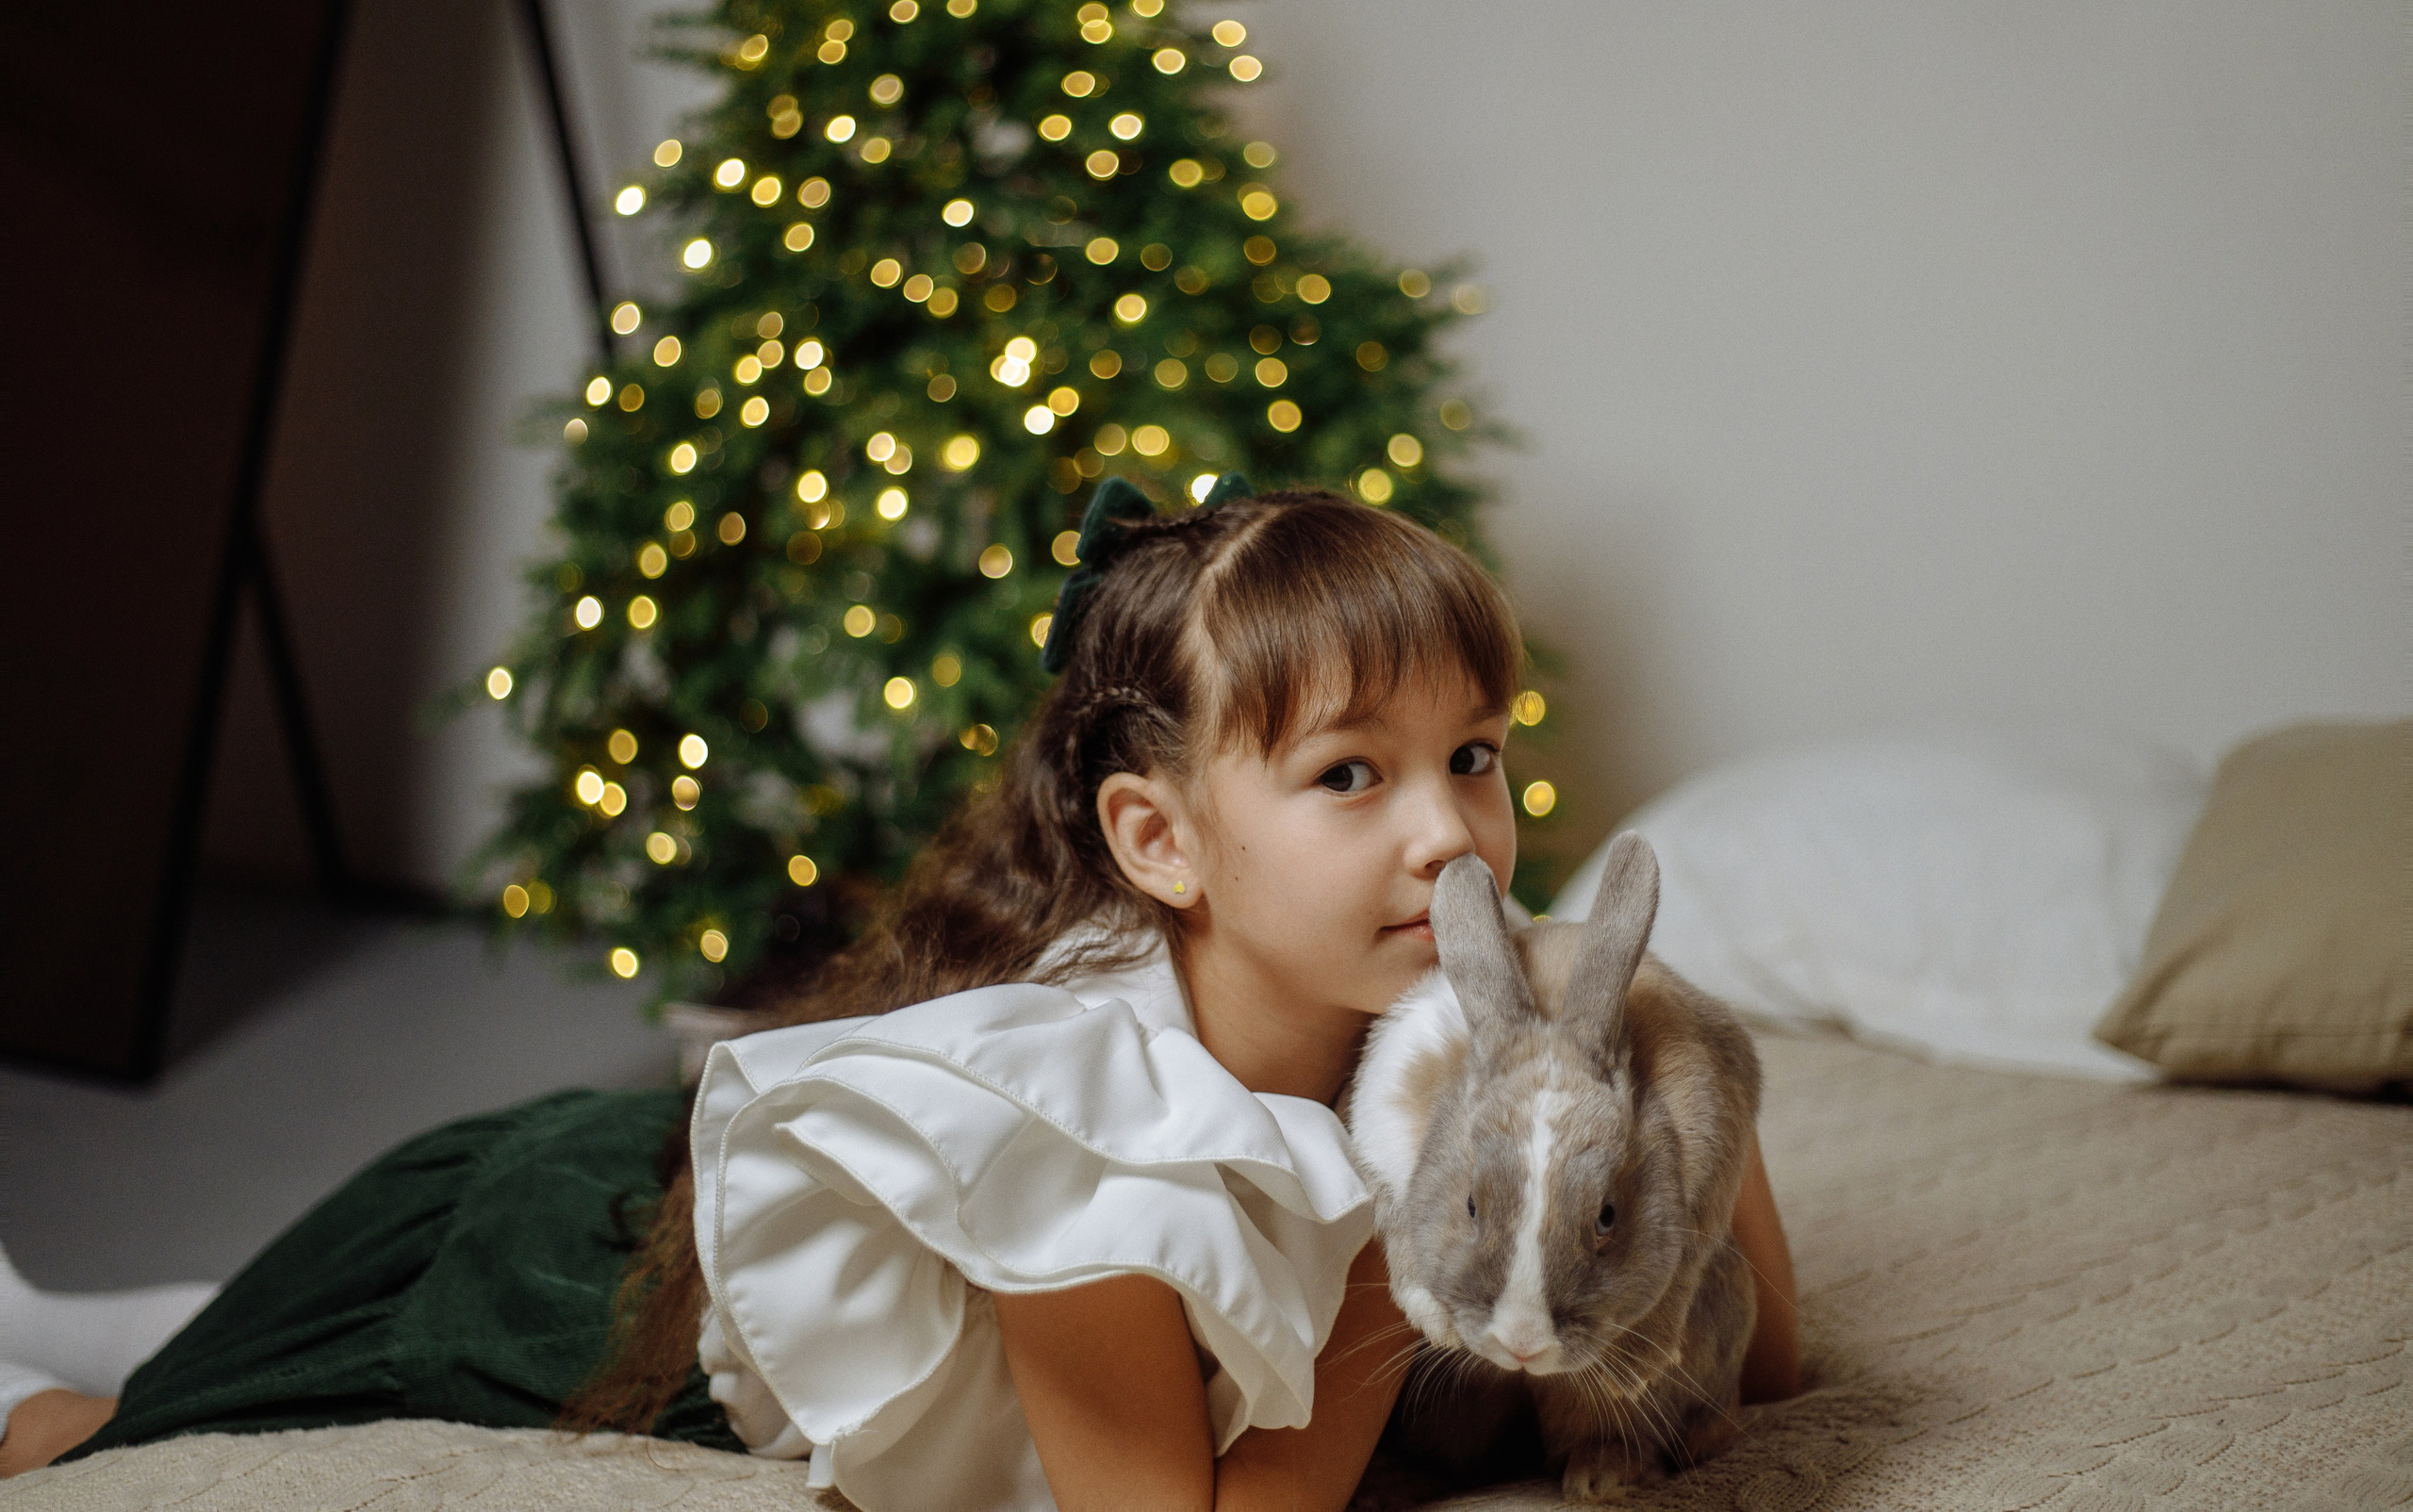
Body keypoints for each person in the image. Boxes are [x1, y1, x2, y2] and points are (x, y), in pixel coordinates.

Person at [1, 485, 1799, 1506]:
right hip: (565, 1265)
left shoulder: (1462, 1023)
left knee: (148, 1326)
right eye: (1351, 775)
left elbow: (1771, 1355)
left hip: (641, 1190)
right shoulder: (1095, 1154)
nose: (1448, 835)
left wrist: (1662, 1060)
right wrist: (1365, 1265)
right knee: (103, 1430)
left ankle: (103, 1311)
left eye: (1473, 756)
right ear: (1158, 841)